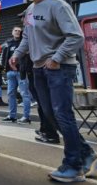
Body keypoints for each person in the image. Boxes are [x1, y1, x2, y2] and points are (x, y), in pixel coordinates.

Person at [9, 0, 97, 182]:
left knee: (62, 114)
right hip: (38, 68)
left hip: (58, 68)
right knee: (50, 115)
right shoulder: (31, 10)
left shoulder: (58, 6)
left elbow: (76, 37)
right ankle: (86, 153)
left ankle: (73, 167)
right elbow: (27, 37)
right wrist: (16, 54)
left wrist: (57, 58)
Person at [16, 11, 60, 144]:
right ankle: (45, 129)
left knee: (46, 104)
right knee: (42, 104)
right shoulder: (29, 32)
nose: (23, 21)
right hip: (32, 72)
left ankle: (51, 132)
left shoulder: (37, 31)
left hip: (41, 69)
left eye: (24, 18)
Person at [0, 26, 32, 123]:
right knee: (10, 94)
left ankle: (26, 117)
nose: (17, 32)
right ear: (12, 32)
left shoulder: (24, 43)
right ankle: (12, 115)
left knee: (24, 94)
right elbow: (4, 56)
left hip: (21, 72)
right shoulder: (8, 43)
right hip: (10, 73)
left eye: (19, 31)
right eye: (16, 30)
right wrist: (4, 68)